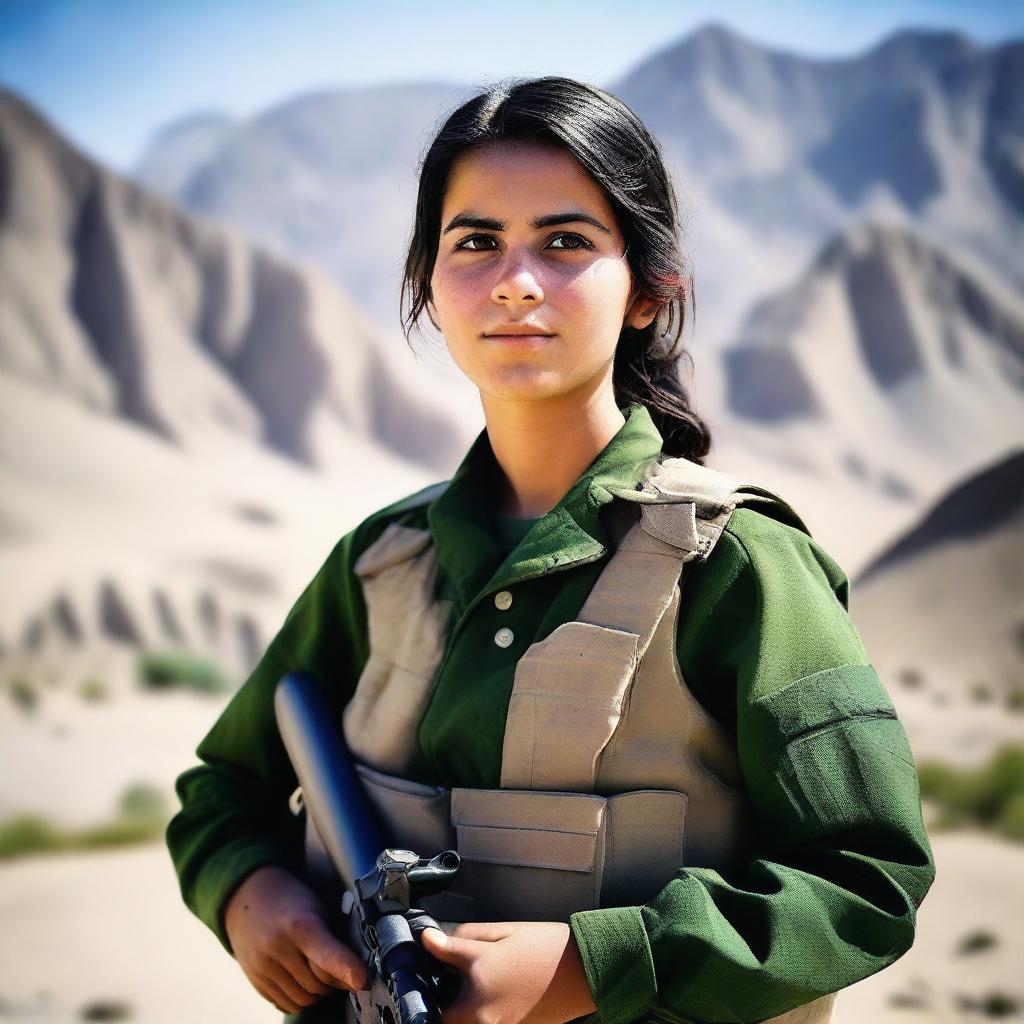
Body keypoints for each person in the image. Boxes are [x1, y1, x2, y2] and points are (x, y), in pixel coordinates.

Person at [166, 76, 935, 1024]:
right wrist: (251, 896)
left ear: (650, 292)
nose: (515, 280)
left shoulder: (737, 567)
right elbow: (224, 789)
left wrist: (592, 962)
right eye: (476, 242)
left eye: (565, 242)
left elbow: (869, 880)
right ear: (427, 286)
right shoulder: (380, 562)